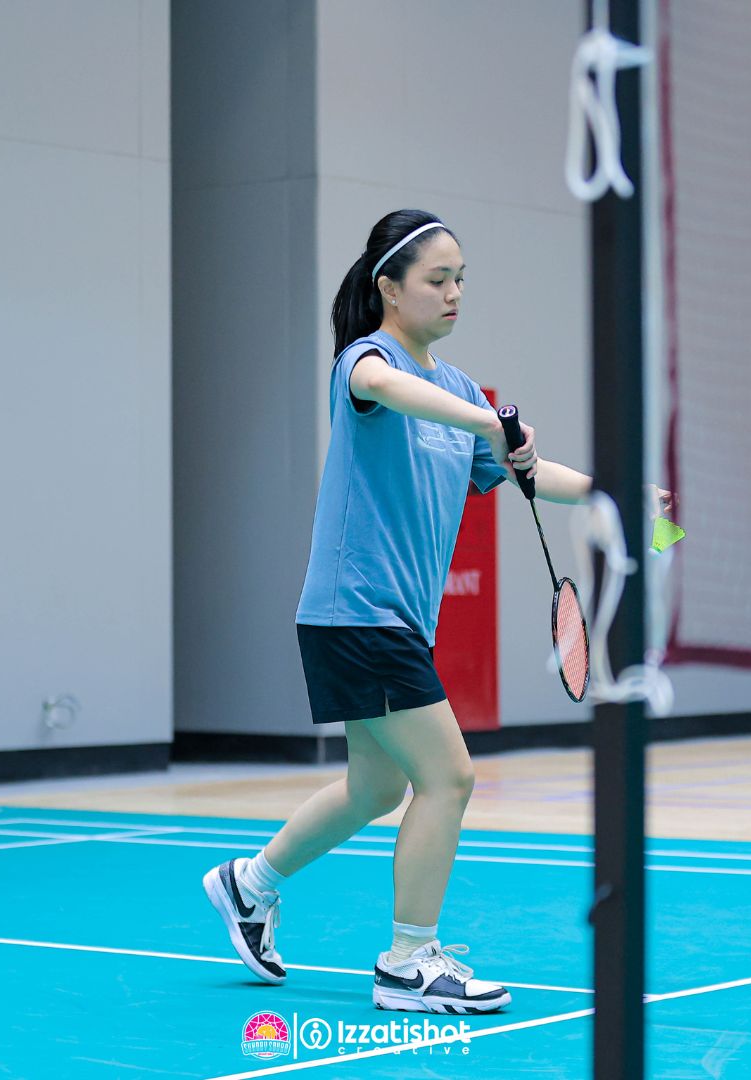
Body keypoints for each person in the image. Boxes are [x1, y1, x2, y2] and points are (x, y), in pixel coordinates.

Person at [204, 209, 663, 1014]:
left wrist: (615, 494)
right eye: (437, 280)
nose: (454, 294)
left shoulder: (455, 390)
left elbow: (524, 471)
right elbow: (382, 388)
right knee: (449, 777)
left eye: (461, 280)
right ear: (390, 287)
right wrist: (491, 418)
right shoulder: (367, 361)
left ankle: (249, 884)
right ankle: (409, 962)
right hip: (358, 612)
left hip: (390, 620)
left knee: (375, 788)